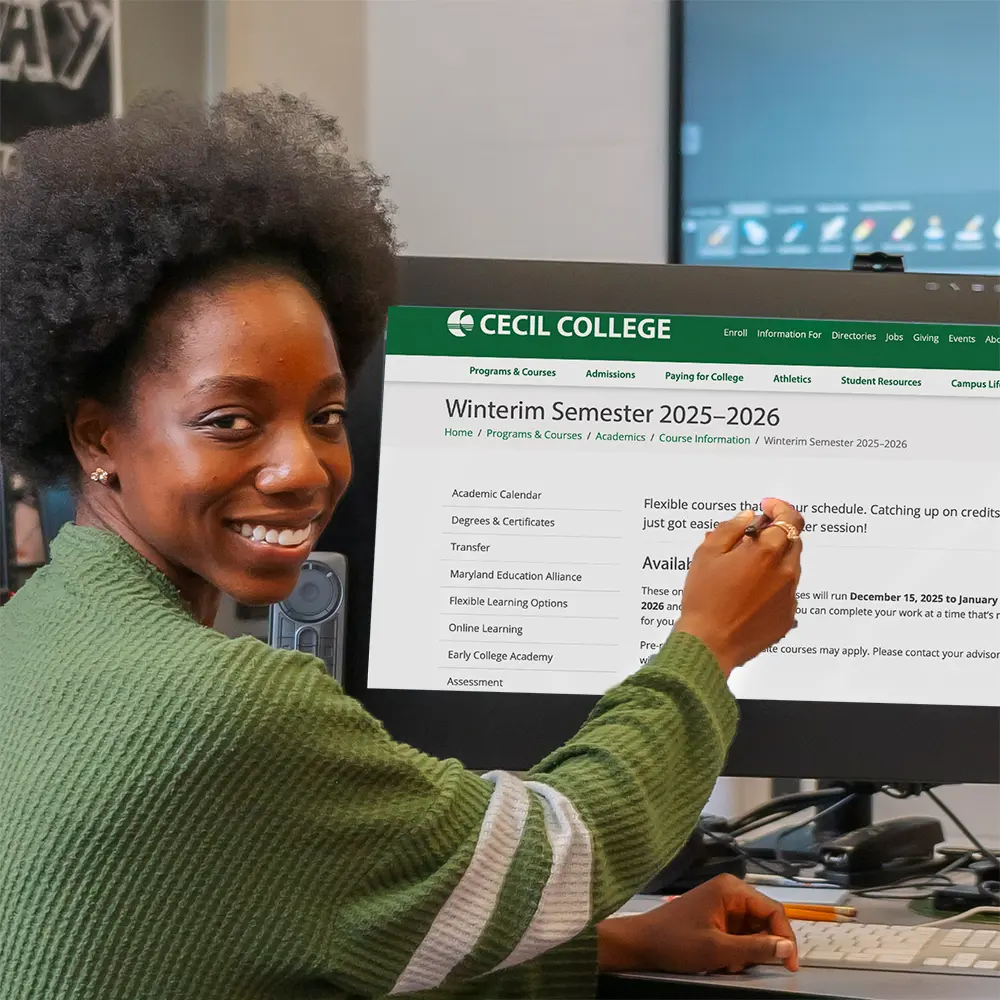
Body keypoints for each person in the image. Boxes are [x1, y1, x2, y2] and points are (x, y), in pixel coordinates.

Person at [0, 91, 805, 1000]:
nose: (303, 469)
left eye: (326, 415)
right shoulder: (221, 707)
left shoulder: (28, 635)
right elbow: (560, 850)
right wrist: (707, 642)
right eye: (229, 421)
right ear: (97, 436)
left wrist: (612, 946)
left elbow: (255, 941)